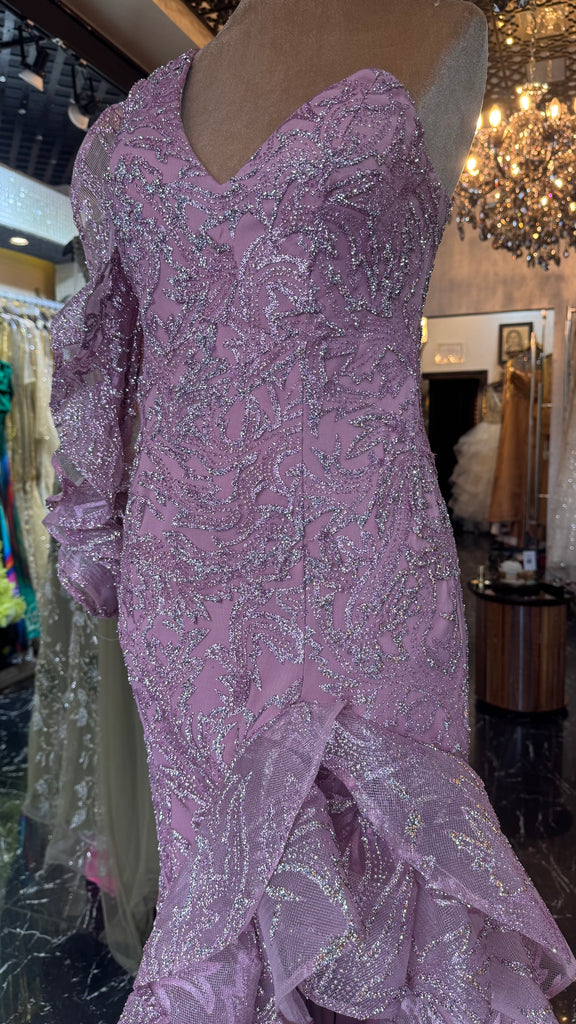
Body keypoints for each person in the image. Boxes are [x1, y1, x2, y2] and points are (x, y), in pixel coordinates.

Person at [44, 1, 576, 1021]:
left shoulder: (441, 26)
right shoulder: (132, 128)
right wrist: (95, 522)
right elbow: (107, 354)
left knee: (386, 863)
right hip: (183, 595)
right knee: (216, 883)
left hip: (359, 567)